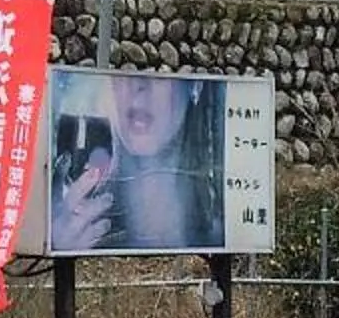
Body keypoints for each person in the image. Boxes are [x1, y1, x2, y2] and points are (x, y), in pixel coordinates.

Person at [50, 73, 225, 253]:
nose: (139, 84)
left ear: (194, 85)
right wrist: (55, 243)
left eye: (160, 72)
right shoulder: (81, 213)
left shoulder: (223, 227)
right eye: (121, 69)